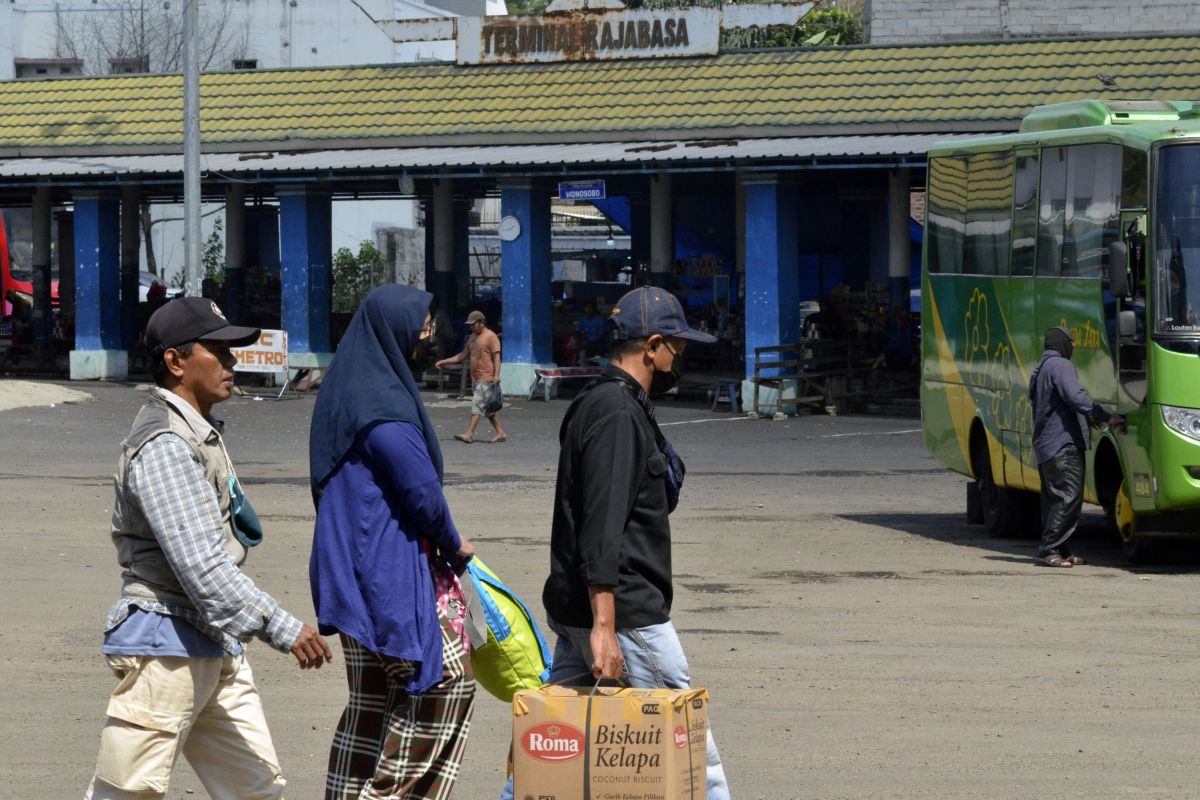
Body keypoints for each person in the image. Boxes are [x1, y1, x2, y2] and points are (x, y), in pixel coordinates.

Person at [86, 297, 332, 800]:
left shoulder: (196, 434)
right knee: (128, 792)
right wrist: (283, 627)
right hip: (165, 648)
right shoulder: (165, 445)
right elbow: (203, 568)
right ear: (175, 362)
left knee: (256, 790)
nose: (232, 362)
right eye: (218, 351)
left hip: (211, 640)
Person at [503, 287, 731, 800]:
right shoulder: (616, 413)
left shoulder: (605, 400)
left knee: (546, 746)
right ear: (652, 346)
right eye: (678, 345)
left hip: (585, 606)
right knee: (693, 754)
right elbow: (601, 524)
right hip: (627, 615)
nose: (682, 356)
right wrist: (605, 626)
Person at [309, 285, 476, 800]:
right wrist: (455, 542)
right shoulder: (383, 405)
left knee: (373, 699)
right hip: (386, 569)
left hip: (346, 565)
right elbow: (421, 493)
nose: (427, 336)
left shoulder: (345, 389)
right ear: (393, 329)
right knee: (446, 682)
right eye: (422, 326)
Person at [1029, 325, 1125, 568]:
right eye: (1071, 342)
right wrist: (1103, 415)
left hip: (1046, 444)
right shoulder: (1061, 366)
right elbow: (1075, 396)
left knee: (1053, 500)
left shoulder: (1041, 367)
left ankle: (1062, 549)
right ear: (1062, 343)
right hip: (1063, 444)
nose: (1073, 347)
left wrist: (1084, 419)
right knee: (1068, 498)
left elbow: (1056, 405)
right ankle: (1049, 548)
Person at [435, 309, 508, 444]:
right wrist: (445, 361)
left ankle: (469, 434)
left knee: (477, 404)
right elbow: (463, 355)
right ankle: (500, 432)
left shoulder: (491, 337)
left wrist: (496, 375)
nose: (471, 327)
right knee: (488, 408)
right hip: (476, 377)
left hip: (487, 377)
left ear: (481, 323)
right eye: (470, 325)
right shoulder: (472, 337)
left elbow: (497, 358)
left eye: (473, 324)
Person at [427, 295, 456, 363]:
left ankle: (437, 363)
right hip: (443, 340)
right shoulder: (434, 314)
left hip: (447, 342)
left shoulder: (440, 314)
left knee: (434, 337)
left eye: (430, 303)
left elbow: (432, 329)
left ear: (434, 303)